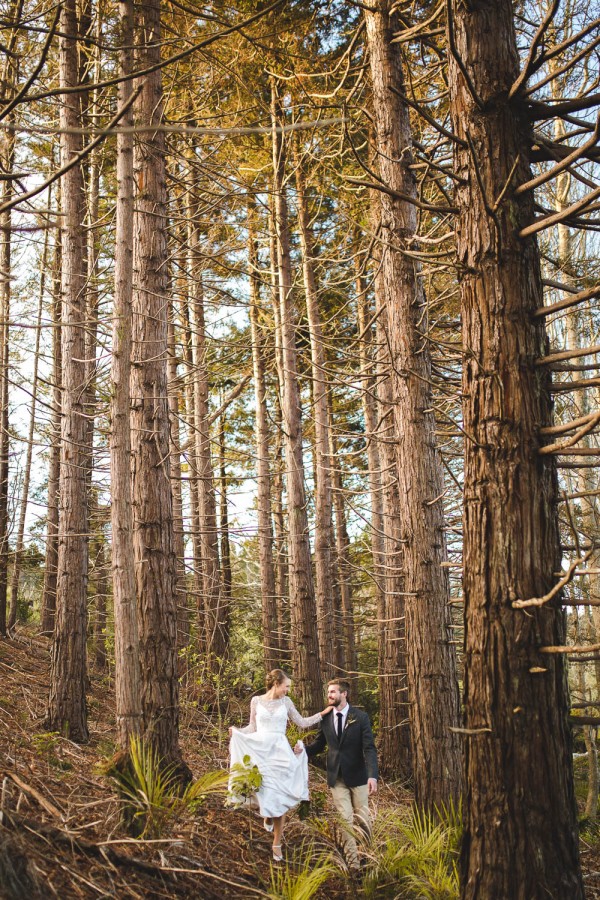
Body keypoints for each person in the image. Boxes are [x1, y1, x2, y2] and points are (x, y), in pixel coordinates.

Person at [228, 669, 330, 861]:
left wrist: (322, 714)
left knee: (280, 794)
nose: (288, 690)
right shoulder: (256, 701)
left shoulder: (287, 702)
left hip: (280, 751)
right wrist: (237, 731)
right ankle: (267, 815)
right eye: (286, 686)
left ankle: (276, 842)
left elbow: (301, 722)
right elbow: (252, 727)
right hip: (261, 750)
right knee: (267, 790)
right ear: (276, 683)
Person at [295, 678, 378, 870]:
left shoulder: (361, 717)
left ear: (344, 694)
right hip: (336, 778)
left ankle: (369, 857)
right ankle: (354, 866)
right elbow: (319, 745)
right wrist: (302, 751)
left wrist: (372, 775)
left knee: (363, 820)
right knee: (346, 820)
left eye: (333, 692)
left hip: (359, 777)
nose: (329, 695)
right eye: (328, 692)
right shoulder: (325, 718)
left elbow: (369, 749)